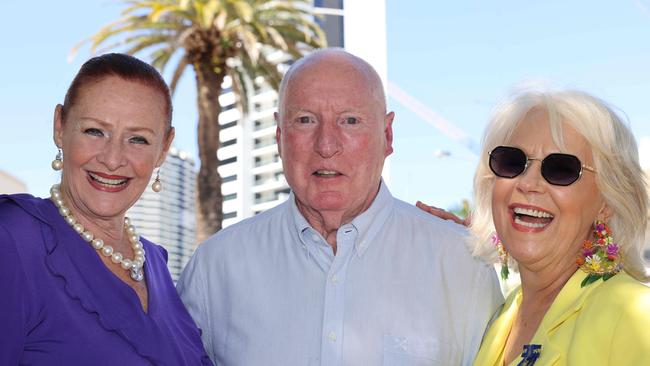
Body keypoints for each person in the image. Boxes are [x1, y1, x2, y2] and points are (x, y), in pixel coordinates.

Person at [177, 48, 503, 365]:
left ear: (387, 135)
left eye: (350, 120)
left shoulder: (462, 265)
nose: (326, 145)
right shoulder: (214, 269)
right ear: (279, 135)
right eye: (305, 120)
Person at [0, 53, 212, 365]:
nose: (113, 159)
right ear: (60, 126)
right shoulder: (14, 241)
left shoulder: (155, 263)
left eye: (138, 139)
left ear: (164, 148)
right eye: (95, 131)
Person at [439, 89, 650, 365]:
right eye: (512, 162)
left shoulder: (635, 316)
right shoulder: (502, 317)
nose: (527, 183)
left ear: (606, 202)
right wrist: (437, 239)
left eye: (561, 168)